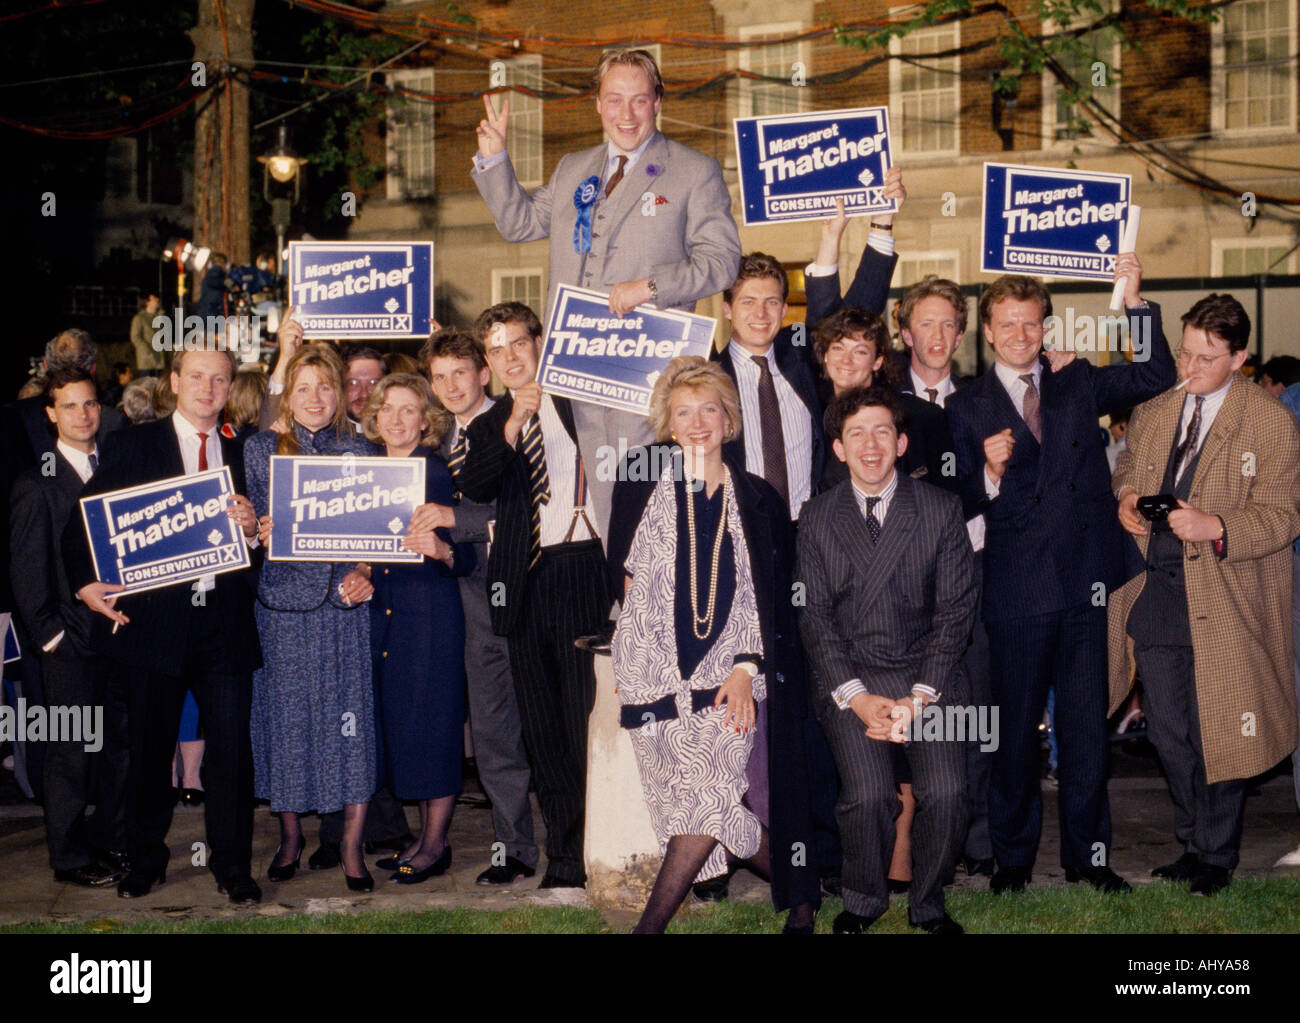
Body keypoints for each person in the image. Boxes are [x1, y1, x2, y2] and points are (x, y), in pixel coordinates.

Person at [945, 256, 1176, 894]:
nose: (1021, 334)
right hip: (1015, 593)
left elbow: (1157, 374)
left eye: (1032, 322)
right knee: (1014, 736)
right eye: (1008, 324)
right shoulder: (967, 406)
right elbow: (954, 501)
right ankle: (1012, 862)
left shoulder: (1076, 382)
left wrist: (1134, 302)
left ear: (1046, 326)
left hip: (1084, 587)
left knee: (1085, 733)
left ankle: (1090, 859)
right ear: (987, 331)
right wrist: (988, 475)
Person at [609, 356, 819, 933]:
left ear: (728, 419)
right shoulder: (645, 486)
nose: (697, 421)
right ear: (668, 424)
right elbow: (630, 585)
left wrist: (746, 667)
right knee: (706, 809)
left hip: (728, 680)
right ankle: (802, 893)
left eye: (709, 409)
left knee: (706, 798)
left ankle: (648, 928)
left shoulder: (759, 498)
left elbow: (771, 598)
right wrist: (629, 663)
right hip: (654, 678)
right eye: (683, 412)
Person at [1110, 293, 1300, 895]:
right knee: (1168, 730)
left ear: (1240, 357)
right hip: (1160, 595)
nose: (1189, 368)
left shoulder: (1270, 421)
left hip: (1228, 600)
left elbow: (1285, 514)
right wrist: (1127, 499)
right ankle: (1192, 843)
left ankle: (1216, 856)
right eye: (1185, 353)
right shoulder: (1157, 407)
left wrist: (1218, 525)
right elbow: (1127, 469)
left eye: (1206, 358)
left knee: (1221, 728)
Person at [65, 345, 263, 903]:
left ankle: (232, 867)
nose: (208, 387)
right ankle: (145, 859)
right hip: (153, 627)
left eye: (219, 379)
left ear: (230, 389)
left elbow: (264, 546)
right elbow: (83, 525)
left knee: (231, 755)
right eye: (196, 376)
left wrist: (251, 530)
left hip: (224, 627)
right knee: (148, 754)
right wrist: (85, 586)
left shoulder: (245, 450)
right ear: (174, 381)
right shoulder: (132, 444)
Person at [798, 385, 976, 934]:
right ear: (838, 448)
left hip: (930, 677)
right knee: (868, 797)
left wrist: (918, 698)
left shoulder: (941, 509)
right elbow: (814, 618)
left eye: (881, 432)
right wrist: (857, 697)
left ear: (901, 443)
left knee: (947, 794)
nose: (870, 446)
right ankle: (863, 900)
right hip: (853, 680)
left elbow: (955, 614)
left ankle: (928, 904)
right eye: (856, 434)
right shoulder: (817, 516)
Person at [454, 302, 613, 888]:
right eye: (496, 351)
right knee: (541, 730)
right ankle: (564, 859)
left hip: (582, 567)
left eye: (518, 343)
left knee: (580, 724)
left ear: (541, 342)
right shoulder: (489, 422)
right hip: (523, 578)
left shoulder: (583, 399)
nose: (509, 358)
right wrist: (512, 424)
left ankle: (600, 846)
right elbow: (476, 484)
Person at [246, 343, 378, 893]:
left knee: (350, 727)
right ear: (288, 395)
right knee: (288, 723)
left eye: (326, 386)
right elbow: (247, 527)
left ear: (342, 390)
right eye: (303, 388)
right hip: (282, 609)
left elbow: (381, 527)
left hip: (344, 607)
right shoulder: (259, 449)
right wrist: (258, 531)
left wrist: (366, 567)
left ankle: (350, 845)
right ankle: (291, 837)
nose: (316, 398)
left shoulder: (365, 451)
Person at [473, 47, 740, 317]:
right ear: (598, 103)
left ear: (657, 103)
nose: (626, 115)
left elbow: (722, 263)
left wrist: (651, 287)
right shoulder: (570, 168)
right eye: (614, 100)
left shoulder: (695, 171)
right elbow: (518, 226)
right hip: (570, 347)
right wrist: (494, 159)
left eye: (639, 101)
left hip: (647, 349)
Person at [421, 328, 539, 885]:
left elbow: (530, 510)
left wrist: (455, 521)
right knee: (494, 734)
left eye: (460, 373)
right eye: (439, 377)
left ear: (483, 374)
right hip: (471, 602)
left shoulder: (519, 419)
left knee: (549, 729)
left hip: (535, 592)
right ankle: (514, 848)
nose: (450, 386)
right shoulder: (435, 442)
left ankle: (575, 844)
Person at [10, 368, 129, 887]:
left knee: (119, 750)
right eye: (72, 406)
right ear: (51, 414)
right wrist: (50, 637)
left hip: (122, 638)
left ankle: (110, 841)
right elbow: (25, 570)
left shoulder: (120, 469)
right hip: (68, 645)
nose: (84, 414)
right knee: (71, 756)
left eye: (90, 404)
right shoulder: (35, 482)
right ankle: (69, 857)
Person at [360, 373, 474, 884]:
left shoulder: (438, 472)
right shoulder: (362, 473)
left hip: (430, 614)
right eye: (389, 408)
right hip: (382, 614)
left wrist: (444, 550)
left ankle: (435, 843)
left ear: (425, 421)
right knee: (401, 725)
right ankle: (421, 836)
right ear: (375, 416)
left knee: (433, 726)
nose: (398, 419)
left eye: (410, 410)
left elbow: (467, 552)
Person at [712, 252, 824, 520]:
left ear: (784, 309)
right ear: (728, 309)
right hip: (741, 533)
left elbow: (836, 309)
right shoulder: (710, 379)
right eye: (748, 302)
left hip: (807, 531)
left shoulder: (804, 359)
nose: (760, 314)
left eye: (771, 302)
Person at [810, 305, 955, 494]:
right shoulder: (811, 413)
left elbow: (946, 492)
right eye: (838, 348)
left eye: (860, 351)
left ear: (877, 361)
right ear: (825, 356)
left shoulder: (920, 417)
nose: (846, 360)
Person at [129, 294, 165, 376]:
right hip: (146, 362)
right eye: (154, 298)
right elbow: (135, 337)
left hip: (158, 360)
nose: (157, 300)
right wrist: (146, 350)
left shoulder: (158, 317)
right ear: (147, 302)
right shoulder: (139, 318)